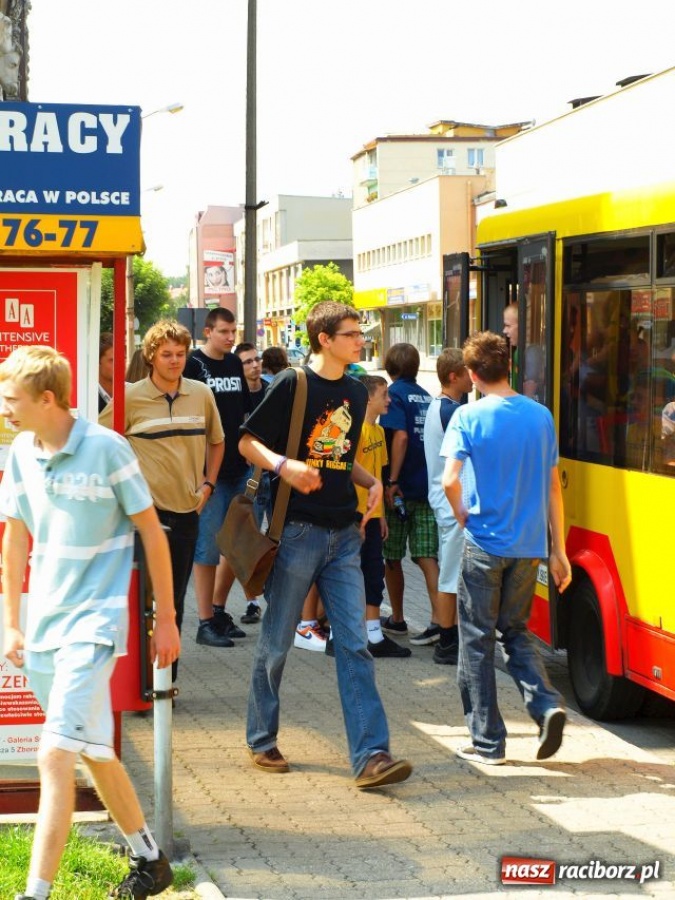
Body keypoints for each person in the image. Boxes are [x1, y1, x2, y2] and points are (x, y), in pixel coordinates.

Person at [0, 346, 180, 900]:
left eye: (12, 399)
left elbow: (152, 531)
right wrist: (11, 622)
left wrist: (165, 620)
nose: (5, 408)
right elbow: (14, 537)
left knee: (54, 753)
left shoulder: (107, 448)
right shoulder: (20, 453)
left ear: (46, 399)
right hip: (46, 627)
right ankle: (150, 861)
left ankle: (36, 895)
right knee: (95, 752)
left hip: (96, 624)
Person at [239, 300, 413, 789]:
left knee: (355, 645)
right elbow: (246, 441)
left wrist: (369, 481)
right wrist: (284, 466)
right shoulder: (292, 384)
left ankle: (371, 756)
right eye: (352, 333)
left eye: (361, 333)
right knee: (276, 642)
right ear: (325, 339)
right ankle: (261, 736)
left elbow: (336, 456)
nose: (361, 340)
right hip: (297, 531)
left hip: (344, 533)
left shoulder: (358, 392)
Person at [442, 330, 571, 765]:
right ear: (509, 367)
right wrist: (559, 550)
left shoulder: (468, 417)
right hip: (529, 544)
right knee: (515, 631)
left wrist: (462, 513)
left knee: (476, 640)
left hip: (484, 544)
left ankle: (488, 742)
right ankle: (546, 704)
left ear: (473, 375)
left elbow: (448, 479)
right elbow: (554, 487)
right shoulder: (541, 416)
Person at [100, 320, 224, 680]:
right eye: (166, 354)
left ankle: (164, 687)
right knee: (143, 600)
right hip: (144, 514)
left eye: (180, 354)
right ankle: (139, 684)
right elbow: (100, 443)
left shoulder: (201, 394)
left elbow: (218, 441)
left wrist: (208, 486)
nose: (174, 361)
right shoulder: (131, 397)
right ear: (151, 356)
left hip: (187, 511)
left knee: (173, 600)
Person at [183, 309, 253, 645]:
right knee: (207, 549)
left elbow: (240, 412)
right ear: (207, 331)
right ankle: (204, 622)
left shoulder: (235, 364)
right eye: (224, 331)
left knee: (234, 547)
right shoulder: (194, 365)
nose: (230, 337)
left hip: (238, 468)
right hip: (208, 472)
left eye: (233, 330)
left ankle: (219, 609)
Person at [379, 343, 441, 645]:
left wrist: (391, 480)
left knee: (392, 557)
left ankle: (398, 619)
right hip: (427, 487)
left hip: (400, 489)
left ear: (389, 367)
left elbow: (400, 437)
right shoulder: (427, 397)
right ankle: (440, 622)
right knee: (427, 556)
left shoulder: (394, 396)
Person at [354, 373, 411, 658]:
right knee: (350, 576)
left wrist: (382, 515)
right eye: (384, 395)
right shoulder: (355, 432)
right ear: (368, 399)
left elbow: (377, 476)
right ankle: (323, 630)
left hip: (374, 517)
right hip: (356, 518)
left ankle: (374, 635)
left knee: (374, 573)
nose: (389, 400)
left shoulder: (377, 431)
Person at [423, 348, 473, 666]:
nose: (473, 376)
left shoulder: (444, 406)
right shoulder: (450, 411)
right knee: (450, 575)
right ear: (454, 376)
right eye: (468, 371)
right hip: (452, 503)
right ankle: (446, 642)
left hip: (448, 501)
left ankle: (449, 636)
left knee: (452, 572)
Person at [233, 341, 269, 624]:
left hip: (276, 473)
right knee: (250, 539)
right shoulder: (236, 394)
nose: (255, 365)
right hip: (251, 478)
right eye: (247, 361)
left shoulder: (271, 390)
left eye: (256, 359)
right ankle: (251, 601)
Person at [97, 331, 114, 412]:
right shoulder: (88, 397)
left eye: (122, 359)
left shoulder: (130, 391)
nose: (119, 365)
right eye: (112, 360)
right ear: (98, 361)